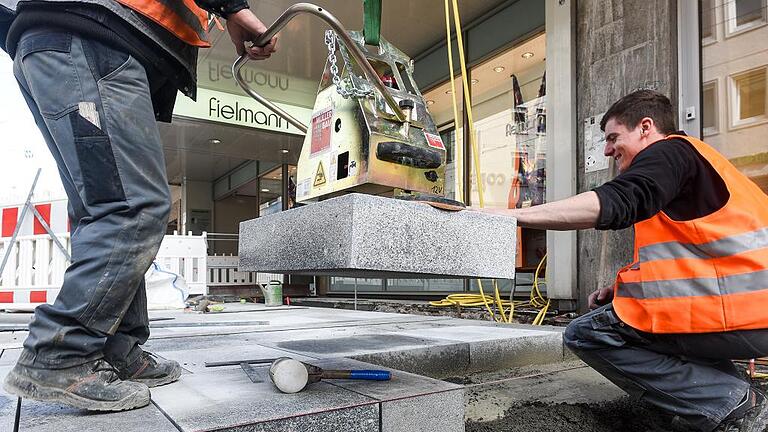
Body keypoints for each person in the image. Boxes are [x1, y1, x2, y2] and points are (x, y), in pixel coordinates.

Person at [0, 0, 276, 411]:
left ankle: (116, 349)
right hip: (93, 36)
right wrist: (234, 8)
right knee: (131, 208)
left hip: (68, 40)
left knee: (106, 209)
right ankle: (59, 355)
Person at [481, 90, 768, 432]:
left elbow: (619, 201)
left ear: (646, 127)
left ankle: (732, 405)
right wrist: (617, 290)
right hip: (750, 312)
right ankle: (731, 399)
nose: (606, 149)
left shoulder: (670, 153)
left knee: (588, 333)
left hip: (745, 314)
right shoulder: (699, 162)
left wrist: (507, 216)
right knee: (637, 318)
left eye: (614, 137)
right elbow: (697, 257)